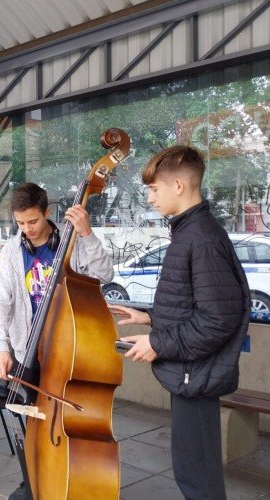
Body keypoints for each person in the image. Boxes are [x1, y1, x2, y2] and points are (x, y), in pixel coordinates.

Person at [109, 146, 249, 500]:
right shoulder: (192, 232)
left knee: (197, 479)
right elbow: (199, 305)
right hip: (192, 373)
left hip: (196, 375)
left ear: (178, 186)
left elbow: (218, 319)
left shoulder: (200, 238)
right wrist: (151, 317)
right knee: (192, 471)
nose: (150, 198)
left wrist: (156, 343)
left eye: (154, 189)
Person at [0, 182, 113, 499]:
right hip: (26, 350)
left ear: (46, 212)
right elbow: (1, 304)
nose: (27, 229)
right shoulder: (11, 254)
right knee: (27, 420)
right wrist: (1, 348)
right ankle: (31, 475)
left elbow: (104, 274)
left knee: (71, 420)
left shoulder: (69, 242)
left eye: (32, 221)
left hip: (68, 347)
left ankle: (73, 476)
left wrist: (86, 234)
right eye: (20, 223)